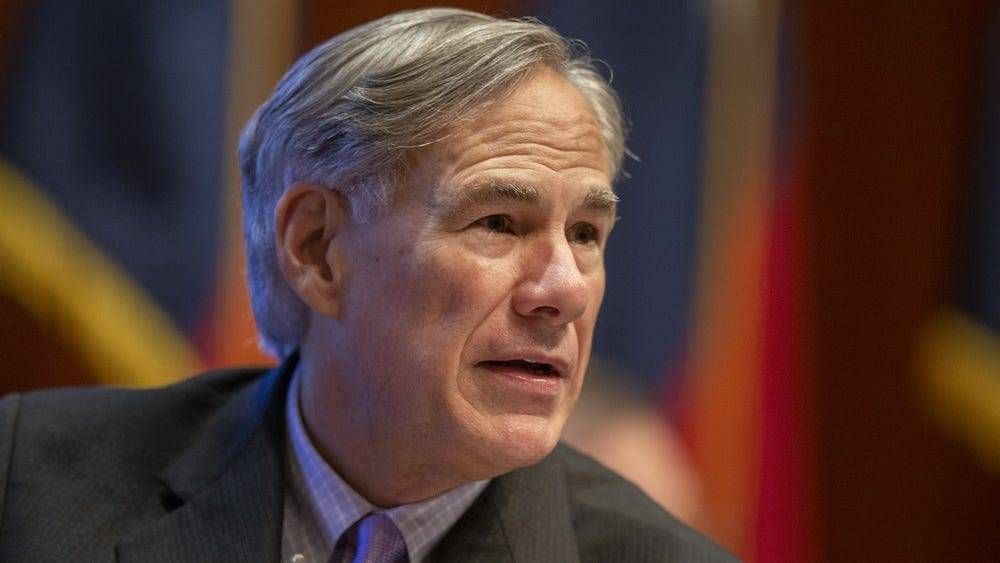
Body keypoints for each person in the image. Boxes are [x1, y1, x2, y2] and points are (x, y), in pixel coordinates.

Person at [0, 8, 735, 562]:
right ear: (317, 248)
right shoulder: (28, 485)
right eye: (499, 223)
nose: (565, 289)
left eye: (585, 234)